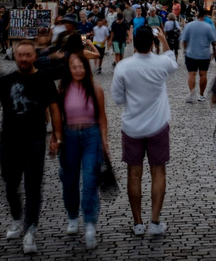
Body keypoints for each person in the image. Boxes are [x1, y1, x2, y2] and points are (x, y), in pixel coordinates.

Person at [110, 27, 177, 236]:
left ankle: (138, 223)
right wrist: (164, 40)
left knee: (134, 173)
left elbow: (118, 99)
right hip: (157, 126)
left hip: (132, 128)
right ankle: (155, 222)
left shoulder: (123, 67)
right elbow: (172, 60)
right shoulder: (161, 63)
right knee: (158, 172)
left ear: (133, 44)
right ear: (152, 44)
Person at [0, 40, 63, 254]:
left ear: (34, 57)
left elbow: (54, 109)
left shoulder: (44, 80)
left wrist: (56, 136)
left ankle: (30, 230)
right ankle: (17, 217)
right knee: (10, 184)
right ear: (15, 57)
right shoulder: (6, 81)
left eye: (28, 55)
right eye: (20, 55)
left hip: (35, 141)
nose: (24, 59)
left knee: (33, 187)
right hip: (9, 140)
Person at [58, 51, 110, 249]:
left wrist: (104, 141)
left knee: (90, 179)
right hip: (69, 136)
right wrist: (56, 137)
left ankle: (89, 223)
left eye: (81, 66)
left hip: (91, 136)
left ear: (86, 68)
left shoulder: (96, 90)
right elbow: (57, 116)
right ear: (69, 70)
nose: (78, 70)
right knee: (69, 179)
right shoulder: (63, 90)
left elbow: (102, 117)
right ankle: (72, 215)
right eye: (74, 67)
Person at [180, 7, 216, 103]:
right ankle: (201, 95)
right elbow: (214, 41)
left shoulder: (189, 26)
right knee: (203, 74)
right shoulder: (208, 27)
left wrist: (185, 50)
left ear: (197, 15)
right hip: (204, 54)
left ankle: (192, 93)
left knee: (192, 74)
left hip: (191, 53)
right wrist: (214, 52)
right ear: (205, 16)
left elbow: (184, 40)